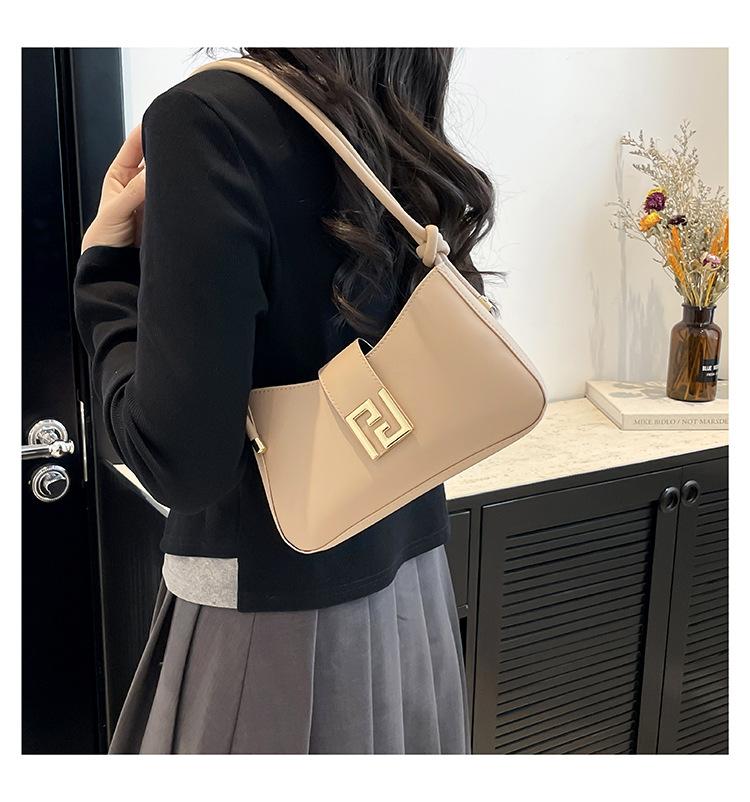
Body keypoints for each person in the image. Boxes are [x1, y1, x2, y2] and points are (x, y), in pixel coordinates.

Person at [73, 48, 495, 754]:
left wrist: (107, 275)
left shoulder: (210, 119)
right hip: (411, 586)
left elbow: (179, 461)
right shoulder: (395, 111)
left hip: (267, 615)